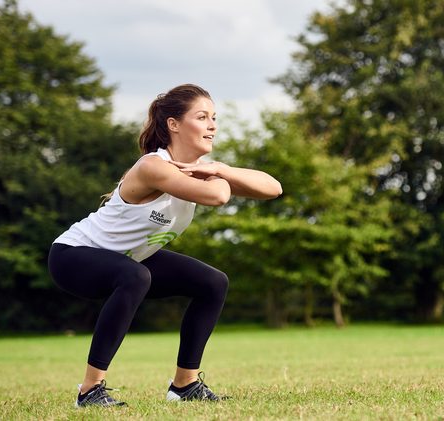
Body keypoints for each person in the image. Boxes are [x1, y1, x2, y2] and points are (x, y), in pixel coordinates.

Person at [47, 83, 282, 407]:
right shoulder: (153, 167)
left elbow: (273, 188)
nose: (213, 125)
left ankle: (184, 386)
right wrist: (216, 175)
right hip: (73, 257)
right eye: (202, 117)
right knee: (135, 276)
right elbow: (218, 196)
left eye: (214, 117)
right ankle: (89, 391)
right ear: (173, 124)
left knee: (212, 283)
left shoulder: (198, 172)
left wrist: (217, 168)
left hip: (128, 259)